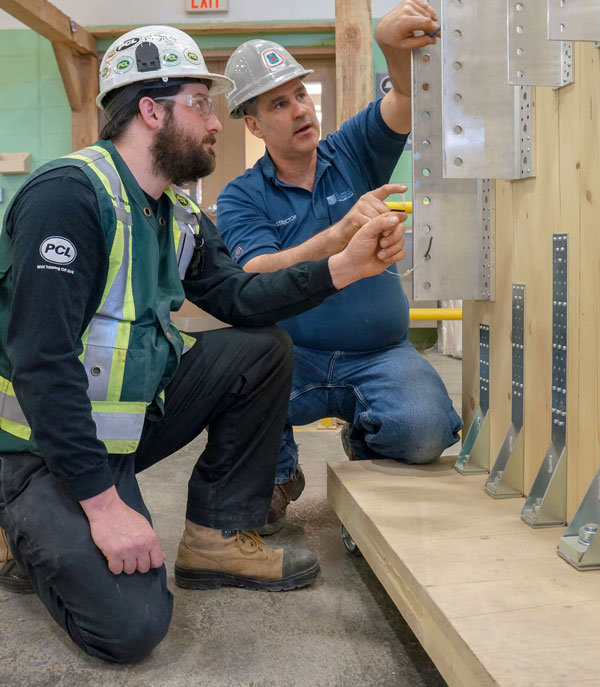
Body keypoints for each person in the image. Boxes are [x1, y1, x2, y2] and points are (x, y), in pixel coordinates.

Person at [0, 25, 407, 663]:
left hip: (119, 430)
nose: (216, 123)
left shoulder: (176, 214)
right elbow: (40, 362)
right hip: (35, 449)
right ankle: (17, 520)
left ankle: (218, 533)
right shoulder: (69, 197)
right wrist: (105, 511)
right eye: (201, 103)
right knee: (130, 628)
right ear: (151, 111)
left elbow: (241, 297)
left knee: (260, 349)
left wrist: (345, 266)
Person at [217, 0, 463, 535]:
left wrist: (390, 47)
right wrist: (337, 237)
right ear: (254, 125)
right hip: (292, 360)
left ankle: (369, 438)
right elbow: (255, 273)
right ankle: (280, 476)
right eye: (280, 104)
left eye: (301, 94)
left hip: (379, 355)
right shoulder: (241, 196)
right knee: (234, 388)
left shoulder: (351, 150)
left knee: (424, 434)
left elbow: (402, 99)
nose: (301, 109)